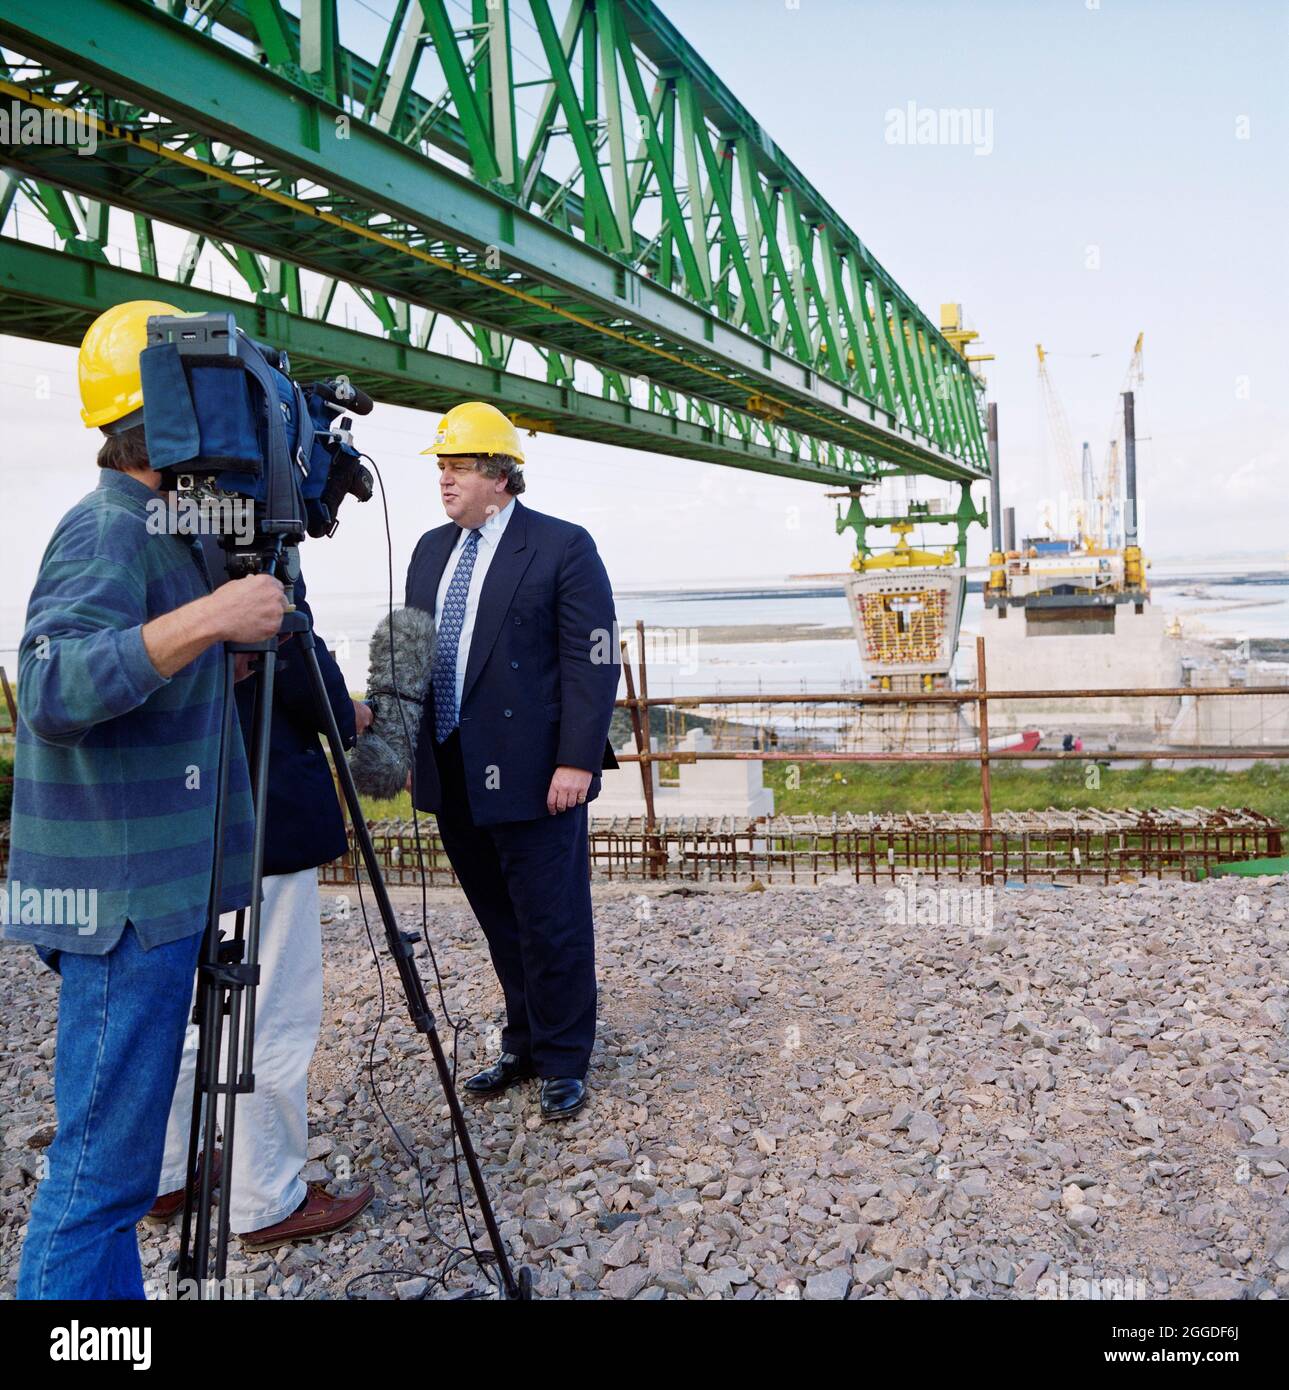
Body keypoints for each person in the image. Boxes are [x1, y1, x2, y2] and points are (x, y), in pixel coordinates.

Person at [6, 300, 288, 1298]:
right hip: (121, 905)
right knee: (95, 1176)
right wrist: (214, 615)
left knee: (114, 1177)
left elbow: (148, 673)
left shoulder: (164, 526)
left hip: (150, 894)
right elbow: (50, 687)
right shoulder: (106, 529)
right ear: (173, 419)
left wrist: (220, 652)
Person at [402, 402, 619, 1121]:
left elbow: (591, 661)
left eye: (458, 467)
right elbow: (413, 657)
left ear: (500, 475)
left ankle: (564, 1059)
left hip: (537, 774)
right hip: (454, 767)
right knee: (498, 916)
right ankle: (522, 1044)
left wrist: (576, 762)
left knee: (550, 918)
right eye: (441, 466)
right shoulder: (431, 550)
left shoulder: (561, 546)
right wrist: (406, 746)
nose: (445, 480)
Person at [149, 568, 376, 1248]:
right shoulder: (259, 579)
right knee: (271, 1013)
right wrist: (351, 712)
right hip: (262, 830)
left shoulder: (165, 567)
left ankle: (163, 1173)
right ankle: (265, 1198)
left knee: (189, 1012)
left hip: (177, 829)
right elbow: (330, 711)